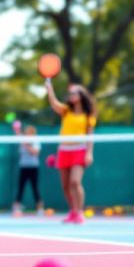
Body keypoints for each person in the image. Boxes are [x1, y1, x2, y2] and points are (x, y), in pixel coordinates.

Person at [45, 81, 96, 224]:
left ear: (81, 95)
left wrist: (89, 153)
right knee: (66, 186)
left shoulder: (88, 115)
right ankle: (73, 211)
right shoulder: (66, 110)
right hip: (63, 150)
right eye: (70, 93)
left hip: (79, 150)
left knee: (75, 182)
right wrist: (50, 90)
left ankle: (80, 212)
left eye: (74, 92)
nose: (71, 95)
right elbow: (54, 104)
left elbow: (90, 136)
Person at [12, 123, 43, 215]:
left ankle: (40, 208)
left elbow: (35, 153)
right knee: (20, 187)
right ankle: (16, 207)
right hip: (23, 167)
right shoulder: (22, 140)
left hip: (34, 167)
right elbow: (17, 134)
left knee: (35, 188)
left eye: (30, 133)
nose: (28, 134)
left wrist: (27, 145)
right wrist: (16, 129)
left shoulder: (36, 141)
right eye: (26, 132)